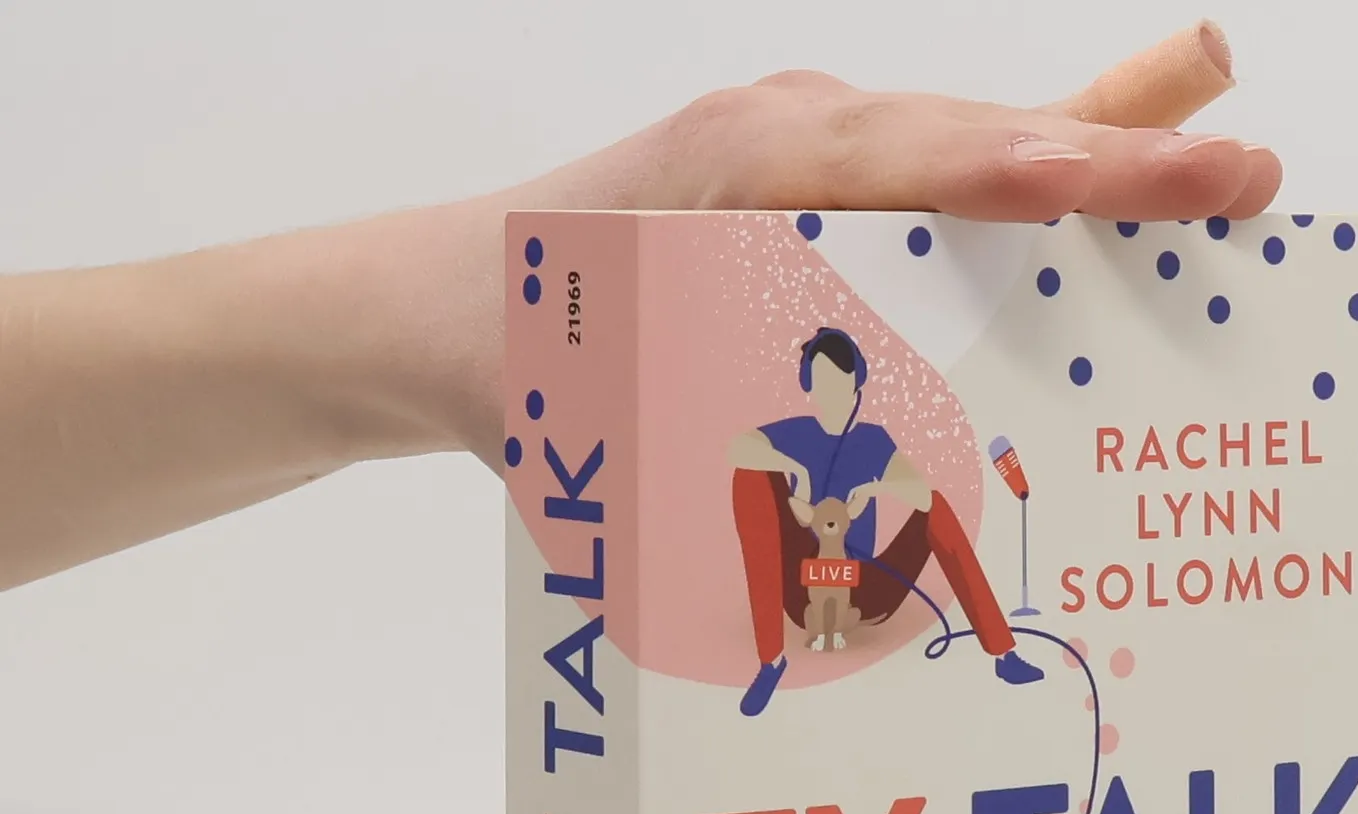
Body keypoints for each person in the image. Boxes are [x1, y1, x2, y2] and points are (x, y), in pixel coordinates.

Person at [0, 23, 1279, 594]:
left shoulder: (878, 446)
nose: (833, 395)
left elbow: (949, 495)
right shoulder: (792, 442)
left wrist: (493, 298)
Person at [728, 325, 1044, 715]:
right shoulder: (798, 433)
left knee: (936, 506)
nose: (829, 388)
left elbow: (922, 495)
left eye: (838, 378)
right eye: (821, 378)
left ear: (856, 381)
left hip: (864, 588)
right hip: (804, 587)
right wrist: (796, 469)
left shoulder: (873, 440)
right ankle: (771, 662)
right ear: (808, 383)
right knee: (749, 478)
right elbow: (739, 449)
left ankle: (1003, 653)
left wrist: (876, 487)